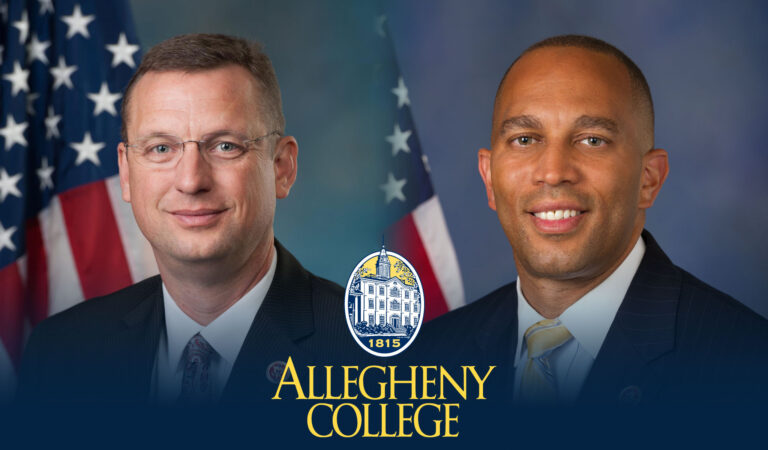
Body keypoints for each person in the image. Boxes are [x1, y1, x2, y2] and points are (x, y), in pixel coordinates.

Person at [418, 35, 768, 405]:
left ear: (648, 178)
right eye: (525, 139)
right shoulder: (426, 362)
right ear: (489, 178)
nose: (553, 173)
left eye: (592, 141)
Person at [17, 34, 361, 405]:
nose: (191, 180)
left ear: (282, 167)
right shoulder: (61, 355)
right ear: (127, 173)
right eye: (161, 148)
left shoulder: (375, 361)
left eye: (225, 146)